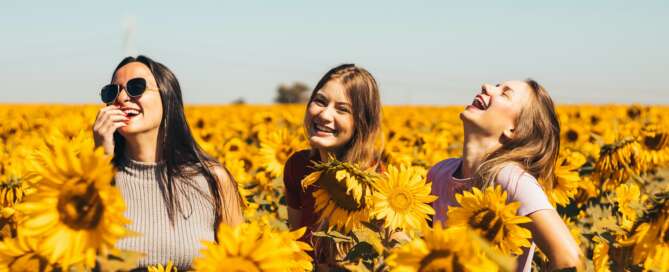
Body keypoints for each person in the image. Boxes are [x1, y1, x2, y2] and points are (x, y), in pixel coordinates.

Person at [93, 55, 243, 270]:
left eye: (136, 87)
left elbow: (240, 260)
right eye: (112, 91)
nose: (122, 98)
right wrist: (100, 161)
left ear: (167, 97)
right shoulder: (88, 181)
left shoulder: (212, 179)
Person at [428, 79, 582, 271]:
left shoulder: (511, 179)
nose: (486, 86)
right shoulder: (440, 173)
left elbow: (570, 259)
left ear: (514, 130)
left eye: (504, 93)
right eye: (496, 85)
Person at [283, 63, 383, 266]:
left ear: (362, 122)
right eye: (320, 101)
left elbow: (378, 256)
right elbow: (297, 242)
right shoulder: (298, 166)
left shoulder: (378, 180)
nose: (324, 115)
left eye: (342, 109)